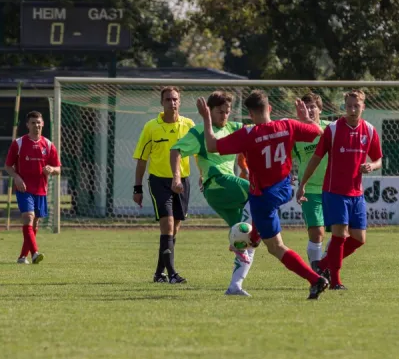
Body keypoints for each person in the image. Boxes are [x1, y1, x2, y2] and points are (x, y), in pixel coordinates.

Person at [196, 90, 329, 300]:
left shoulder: (248, 134)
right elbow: (317, 131)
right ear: (269, 108)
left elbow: (211, 145)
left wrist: (206, 119)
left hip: (263, 197)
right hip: (284, 189)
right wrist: (304, 118)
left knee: (276, 248)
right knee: (256, 228)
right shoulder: (287, 125)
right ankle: (252, 238)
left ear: (250, 113)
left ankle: (315, 279)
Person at [170, 91, 261, 296]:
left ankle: (235, 286)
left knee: (247, 239)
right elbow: (175, 150)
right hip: (217, 184)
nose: (224, 116)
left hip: (224, 193)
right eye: (220, 112)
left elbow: (258, 133)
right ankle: (245, 238)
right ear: (209, 111)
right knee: (260, 192)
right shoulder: (200, 132)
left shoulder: (233, 128)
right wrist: (176, 178)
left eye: (227, 112)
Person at [296, 90, 383, 290]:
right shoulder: (334, 129)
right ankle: (335, 281)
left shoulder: (369, 130)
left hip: (357, 193)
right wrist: (303, 184)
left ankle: (323, 264)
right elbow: (316, 158)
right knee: (339, 236)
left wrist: (372, 166)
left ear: (363, 107)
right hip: (334, 192)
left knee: (359, 239)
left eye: (356, 106)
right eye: (349, 106)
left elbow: (378, 159)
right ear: (344, 107)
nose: (352, 110)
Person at [133, 86, 195, 284]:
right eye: (168, 99)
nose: (172, 103)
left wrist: (204, 174)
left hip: (183, 181)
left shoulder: (189, 125)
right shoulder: (151, 127)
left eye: (175, 99)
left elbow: (199, 153)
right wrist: (137, 188)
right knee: (167, 224)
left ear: (180, 101)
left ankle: (159, 273)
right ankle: (173, 274)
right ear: (162, 103)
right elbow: (142, 159)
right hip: (159, 181)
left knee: (174, 229)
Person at [4, 111, 61, 264]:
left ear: (43, 124)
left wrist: (52, 169)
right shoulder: (19, 143)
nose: (36, 125)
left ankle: (22, 257)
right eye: (33, 122)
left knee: (35, 223)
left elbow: (58, 169)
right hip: (24, 189)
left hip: (41, 190)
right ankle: (35, 253)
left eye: (38, 122)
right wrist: (17, 177)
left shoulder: (48, 145)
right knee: (28, 217)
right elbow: (8, 166)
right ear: (27, 125)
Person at [291, 93, 331, 273]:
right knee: (317, 233)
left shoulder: (331, 128)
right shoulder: (296, 134)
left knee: (344, 234)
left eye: (313, 106)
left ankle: (325, 261)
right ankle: (317, 273)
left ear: (320, 109)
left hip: (334, 188)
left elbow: (327, 139)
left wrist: (308, 122)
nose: (309, 110)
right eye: (305, 107)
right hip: (310, 189)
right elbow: (287, 158)